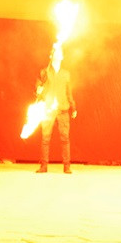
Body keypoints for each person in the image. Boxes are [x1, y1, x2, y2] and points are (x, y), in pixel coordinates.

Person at [35, 45, 77, 174]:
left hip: (63, 109)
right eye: (56, 52)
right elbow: (38, 89)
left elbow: (69, 92)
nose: (58, 54)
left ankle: (67, 166)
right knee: (45, 138)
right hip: (48, 110)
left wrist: (73, 107)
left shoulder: (66, 74)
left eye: (60, 52)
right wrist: (38, 90)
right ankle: (43, 166)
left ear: (63, 57)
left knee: (65, 139)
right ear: (51, 56)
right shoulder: (44, 72)